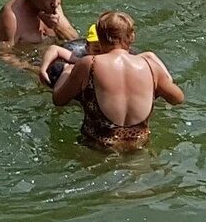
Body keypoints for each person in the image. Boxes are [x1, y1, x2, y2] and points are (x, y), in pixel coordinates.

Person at [50, 11, 183, 152]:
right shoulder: (150, 66)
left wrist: (66, 72)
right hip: (138, 147)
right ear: (132, 37)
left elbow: (59, 100)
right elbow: (177, 98)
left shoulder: (89, 64)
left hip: (98, 148)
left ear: (99, 38)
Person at [0, 0, 78, 71]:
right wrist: (35, 71)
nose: (55, 4)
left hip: (55, 58)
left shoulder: (53, 6)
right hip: (29, 66)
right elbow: (4, 55)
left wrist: (57, 27)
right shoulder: (11, 17)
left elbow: (75, 40)